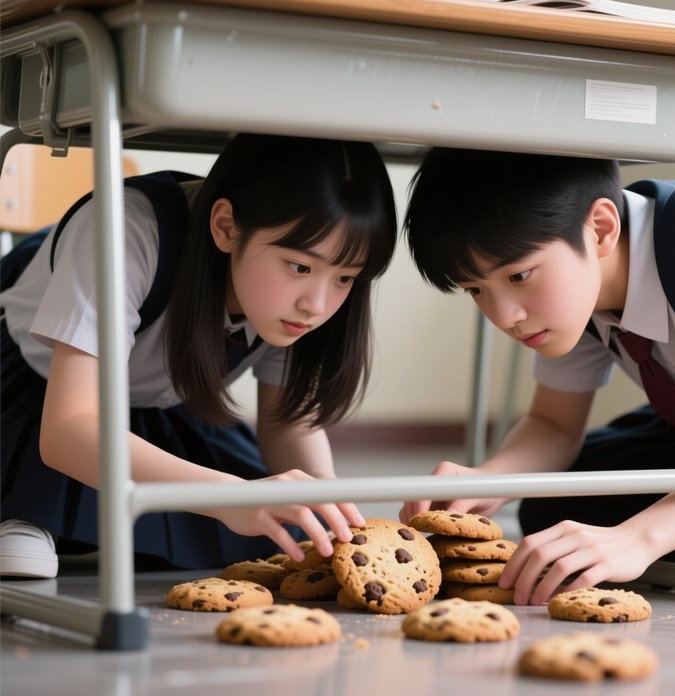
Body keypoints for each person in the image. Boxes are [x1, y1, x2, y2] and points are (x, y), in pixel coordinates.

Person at [399, 146, 675, 603]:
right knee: (554, 513)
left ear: (601, 228)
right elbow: (554, 424)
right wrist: (489, 479)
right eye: (476, 289)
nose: (505, 315)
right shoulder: (573, 291)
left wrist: (641, 538)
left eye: (519, 276)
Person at [0, 133, 397, 578]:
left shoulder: (293, 304)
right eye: (300, 267)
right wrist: (227, 497)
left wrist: (330, 509)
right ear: (226, 226)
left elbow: (286, 423)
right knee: (25, 548)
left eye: (345, 278)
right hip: (35, 390)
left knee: (280, 528)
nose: (317, 305)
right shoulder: (124, 231)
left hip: (154, 409)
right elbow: (71, 428)